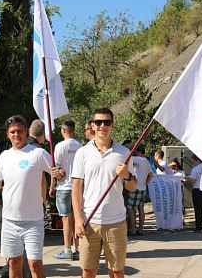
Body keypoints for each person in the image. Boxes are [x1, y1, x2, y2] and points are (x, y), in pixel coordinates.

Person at [72, 107, 137, 278]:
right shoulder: (82, 153)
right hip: (89, 222)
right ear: (92, 125)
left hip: (116, 221)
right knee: (88, 271)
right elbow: (77, 188)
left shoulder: (123, 153)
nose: (102, 126)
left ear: (113, 125)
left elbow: (132, 186)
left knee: (116, 271)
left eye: (107, 122)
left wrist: (127, 175)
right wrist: (78, 219)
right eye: (98, 122)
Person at [0, 115, 57, 278]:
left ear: (27, 132)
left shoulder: (38, 153)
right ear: (8, 134)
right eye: (13, 132)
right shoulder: (4, 156)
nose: (17, 135)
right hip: (9, 221)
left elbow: (58, 172)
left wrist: (60, 173)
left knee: (35, 265)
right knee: (14, 263)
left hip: (33, 222)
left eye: (20, 131)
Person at [50, 120, 82, 261]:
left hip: (63, 187)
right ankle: (77, 248)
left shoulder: (60, 146)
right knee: (76, 218)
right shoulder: (80, 146)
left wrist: (52, 186)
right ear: (73, 130)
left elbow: (55, 170)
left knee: (66, 219)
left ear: (63, 130)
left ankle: (67, 249)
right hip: (77, 187)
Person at [127, 144, 153, 236]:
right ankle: (140, 228)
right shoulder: (146, 161)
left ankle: (133, 229)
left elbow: (127, 157)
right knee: (141, 208)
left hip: (136, 187)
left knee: (130, 208)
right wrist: (145, 183)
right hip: (143, 188)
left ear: (137, 152)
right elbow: (151, 175)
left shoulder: (139, 159)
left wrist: (129, 149)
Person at [183, 154, 202, 233]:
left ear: (196, 160)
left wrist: (187, 180)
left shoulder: (195, 169)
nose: (193, 162)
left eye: (193, 161)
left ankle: (198, 227)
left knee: (198, 209)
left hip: (197, 189)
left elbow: (193, 181)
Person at [26, 119, 49, 211]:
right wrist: (43, 203)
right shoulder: (41, 152)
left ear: (29, 131)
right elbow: (42, 181)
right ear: (44, 135)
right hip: (34, 200)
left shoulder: (18, 147)